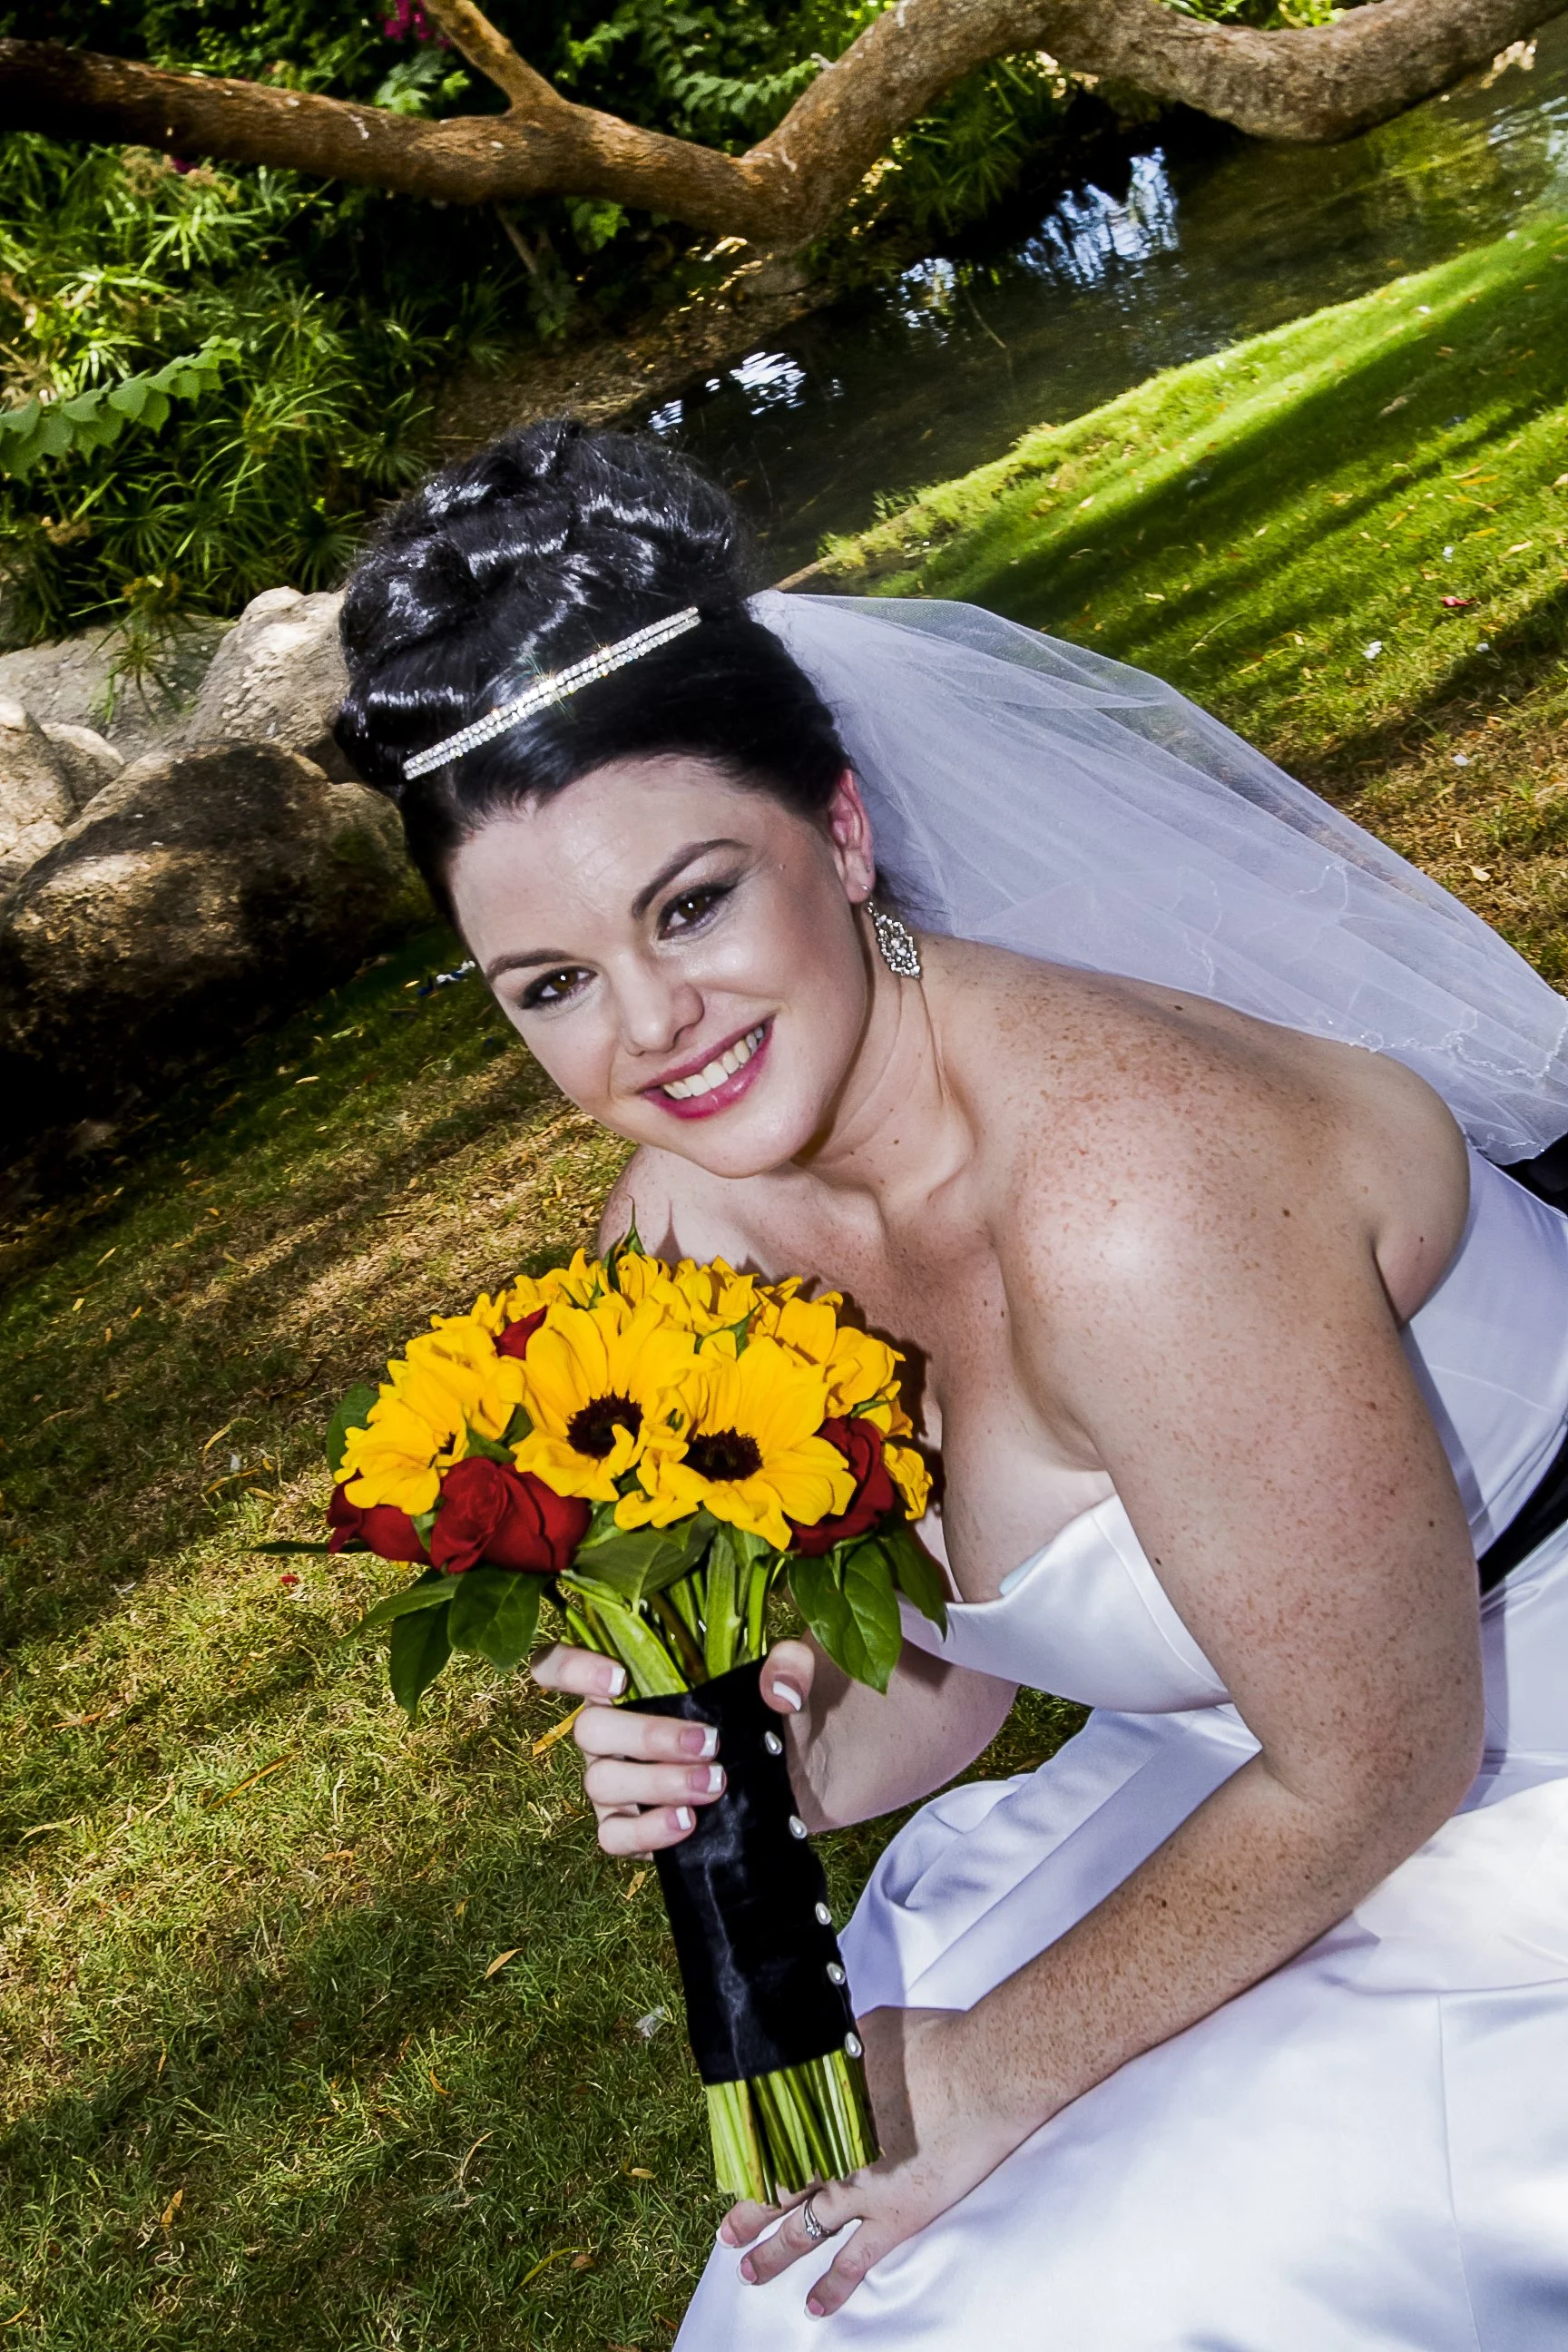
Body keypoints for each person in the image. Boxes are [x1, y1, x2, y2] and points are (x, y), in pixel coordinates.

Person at [335, 417, 1568, 2349]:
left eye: (690, 905)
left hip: (1498, 1766)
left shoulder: (1136, 1195)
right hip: (1233, 1755)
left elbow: (1386, 1761)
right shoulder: (681, 1244)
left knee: (1084, 2289)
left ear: (838, 831)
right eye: (548, 985)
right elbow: (945, 1674)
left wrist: (997, 2066)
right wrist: (757, 1740)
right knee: (821, 2297)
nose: (649, 1031)